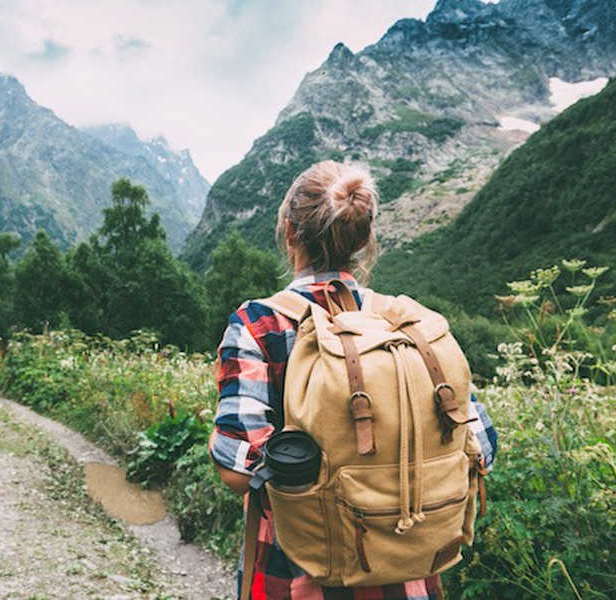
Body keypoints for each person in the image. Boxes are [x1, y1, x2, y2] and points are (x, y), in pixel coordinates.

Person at [209, 160, 497, 600]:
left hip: (298, 574)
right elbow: (482, 447)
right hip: (410, 575)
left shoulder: (261, 324)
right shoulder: (406, 325)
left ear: (289, 232)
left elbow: (234, 468)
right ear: (364, 240)